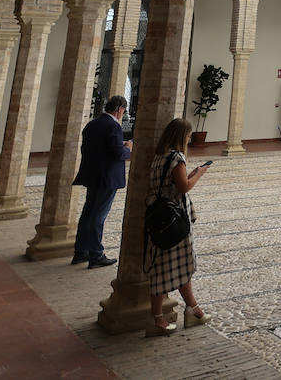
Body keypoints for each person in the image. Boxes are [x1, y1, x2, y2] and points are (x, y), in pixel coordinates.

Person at [145, 117, 211, 337]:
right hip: (174, 221)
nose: (190, 139)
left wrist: (188, 175)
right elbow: (183, 188)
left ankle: (193, 310)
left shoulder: (158, 157)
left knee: (169, 265)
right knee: (175, 265)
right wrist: (198, 175)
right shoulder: (176, 157)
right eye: (189, 136)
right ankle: (159, 319)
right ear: (182, 137)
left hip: (159, 218)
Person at [72, 95, 132, 268]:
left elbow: (93, 147)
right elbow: (117, 153)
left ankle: (80, 251)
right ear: (120, 108)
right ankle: (96, 255)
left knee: (88, 213)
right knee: (98, 215)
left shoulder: (92, 124)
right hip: (107, 178)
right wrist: (128, 149)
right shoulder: (113, 126)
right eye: (123, 110)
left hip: (92, 175)